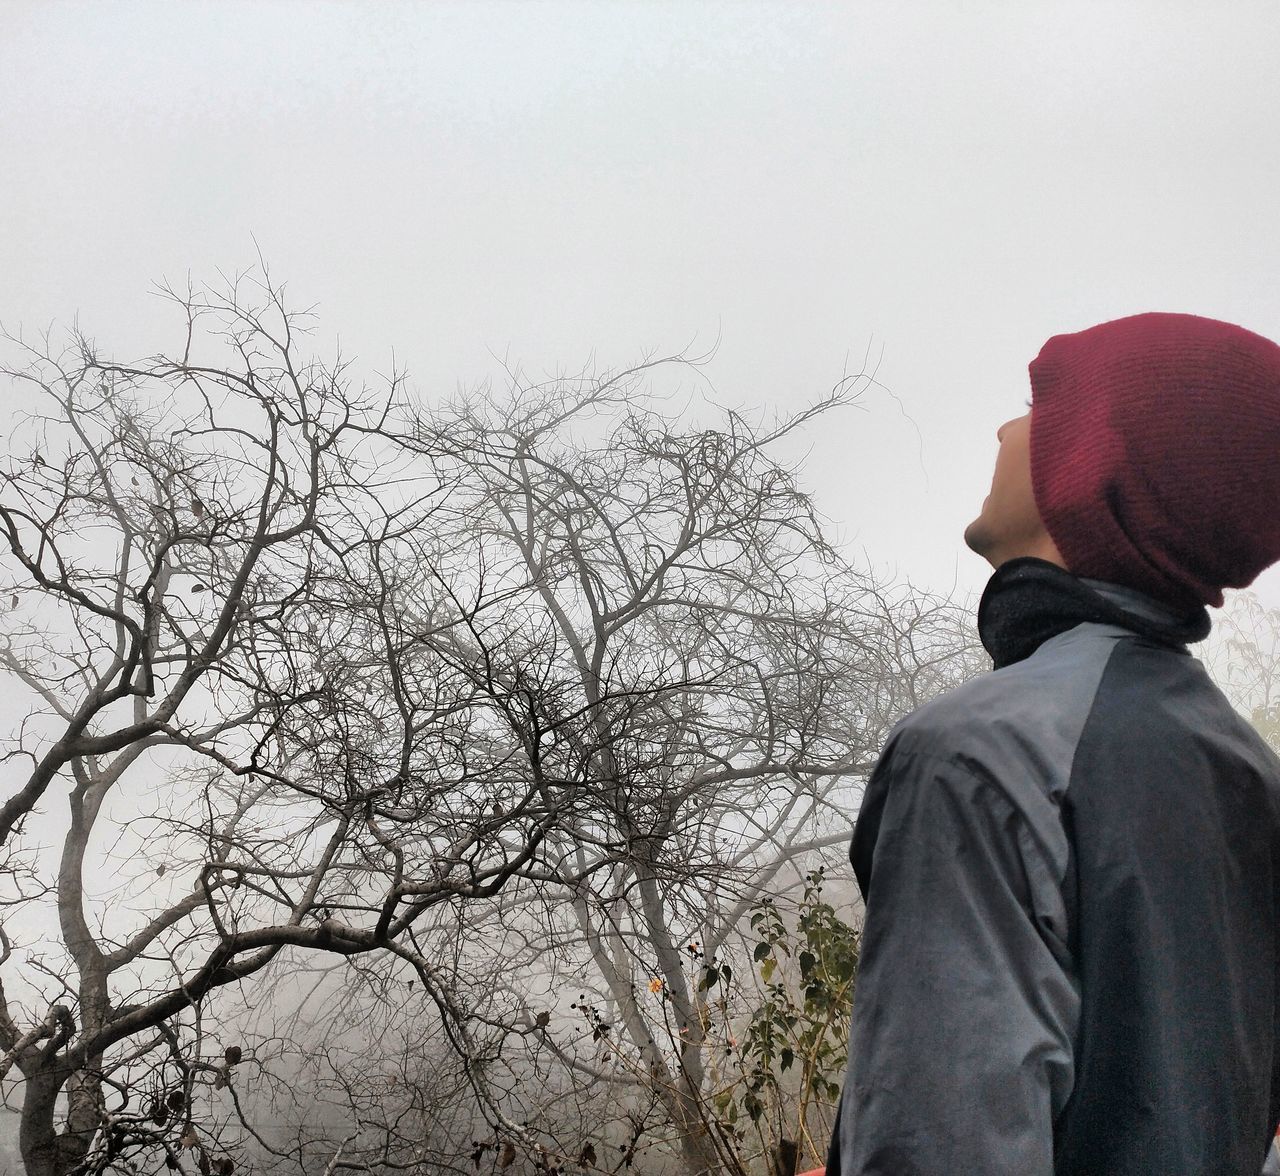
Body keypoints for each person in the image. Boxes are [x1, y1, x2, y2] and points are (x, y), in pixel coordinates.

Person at [824, 312, 1280, 1174]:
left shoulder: (977, 758)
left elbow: (938, 1150)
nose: (1006, 427)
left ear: (1093, 471)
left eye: (1040, 406)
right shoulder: (1246, 770)